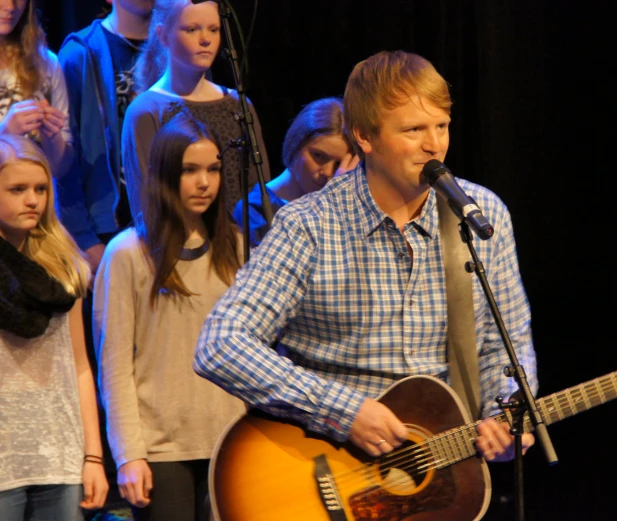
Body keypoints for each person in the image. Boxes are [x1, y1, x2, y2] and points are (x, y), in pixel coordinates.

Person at [194, 50, 538, 465]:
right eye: (414, 129)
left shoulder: (480, 214)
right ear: (365, 136)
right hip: (325, 468)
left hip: (435, 471)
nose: (434, 145)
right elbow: (221, 344)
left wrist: (505, 414)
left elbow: (507, 344)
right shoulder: (309, 225)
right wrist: (341, 410)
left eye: (442, 126)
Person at [93, 113, 246, 521]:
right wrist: (128, 455)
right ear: (164, 174)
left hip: (231, 441)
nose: (204, 183)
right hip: (162, 449)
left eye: (213, 170)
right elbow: (114, 367)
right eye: (190, 170)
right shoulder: (129, 253)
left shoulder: (234, 246)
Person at [0, 134, 108, 520]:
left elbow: (79, 366)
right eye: (17, 189)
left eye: (40, 189)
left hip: (59, 452)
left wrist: (92, 456)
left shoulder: (65, 265)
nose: (32, 200)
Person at [122, 0, 271, 231]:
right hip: (179, 252)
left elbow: (258, 191)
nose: (206, 39)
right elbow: (147, 206)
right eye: (192, 29)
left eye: (213, 29)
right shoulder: (147, 110)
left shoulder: (237, 105)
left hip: (241, 251)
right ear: (163, 36)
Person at [56, 0, 154, 273]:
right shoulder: (79, 54)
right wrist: (83, 238)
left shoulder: (176, 44)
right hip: (105, 229)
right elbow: (63, 158)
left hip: (168, 220)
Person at [234, 96, 359, 247]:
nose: (328, 172)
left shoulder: (350, 207)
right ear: (296, 144)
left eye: (339, 163)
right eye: (319, 156)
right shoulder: (254, 210)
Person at [0, 0, 73, 179]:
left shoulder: (46, 63)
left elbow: (61, 169)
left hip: (37, 201)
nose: (10, 7)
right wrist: (6, 133)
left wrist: (52, 138)